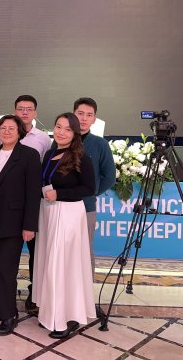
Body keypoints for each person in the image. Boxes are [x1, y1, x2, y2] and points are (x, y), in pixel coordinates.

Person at [33, 113, 96, 339]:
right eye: (58, 127)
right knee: (49, 262)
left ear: (75, 133)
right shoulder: (50, 153)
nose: (61, 132)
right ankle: (50, 312)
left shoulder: (80, 156)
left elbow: (89, 188)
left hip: (68, 214)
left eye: (67, 129)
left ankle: (67, 317)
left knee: (63, 265)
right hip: (48, 212)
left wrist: (59, 193)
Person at [0, 116, 42, 335]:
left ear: (19, 132)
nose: (6, 131)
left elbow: (33, 193)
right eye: (3, 128)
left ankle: (9, 316)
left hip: (15, 223)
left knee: (6, 268)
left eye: (11, 128)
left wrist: (30, 225)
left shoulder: (29, 155)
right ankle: (4, 308)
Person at [13, 95, 52, 315]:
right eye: (21, 109)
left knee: (36, 250)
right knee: (9, 249)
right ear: (14, 111)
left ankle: (34, 290)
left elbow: (46, 170)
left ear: (35, 113)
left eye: (29, 109)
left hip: (34, 201)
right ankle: (7, 288)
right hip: (9, 202)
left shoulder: (43, 139)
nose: (25, 113)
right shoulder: (5, 133)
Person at [73, 98, 116, 281]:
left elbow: (109, 177)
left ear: (94, 119)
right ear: (73, 114)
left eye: (89, 115)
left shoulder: (100, 144)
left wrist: (91, 191)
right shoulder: (62, 139)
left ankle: (85, 292)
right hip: (60, 205)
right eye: (80, 113)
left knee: (84, 250)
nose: (84, 118)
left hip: (86, 206)